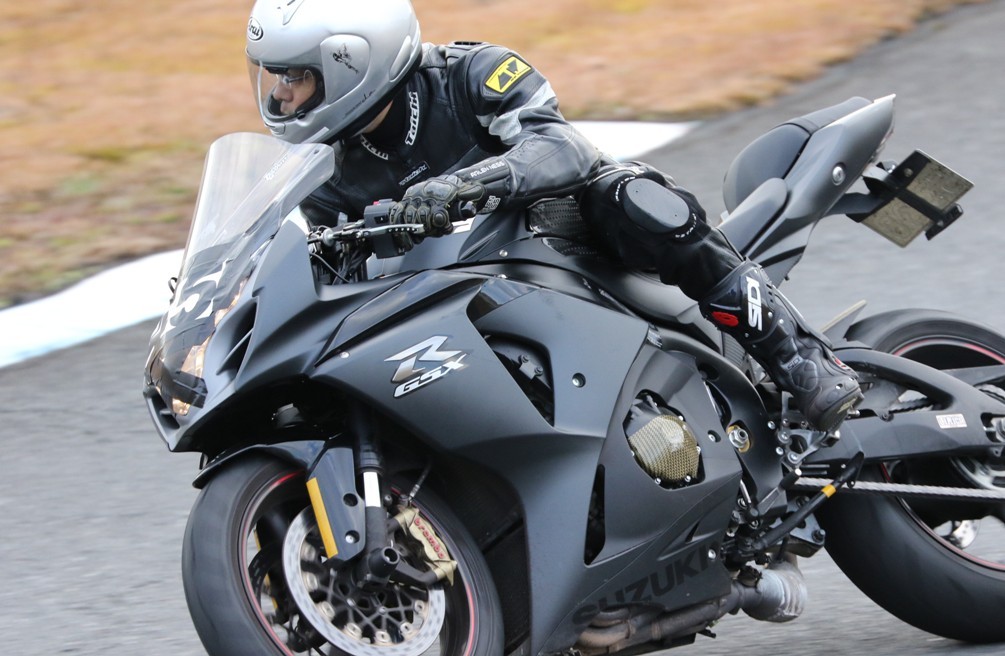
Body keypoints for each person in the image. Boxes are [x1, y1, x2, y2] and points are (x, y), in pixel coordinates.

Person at [245, 0, 862, 432]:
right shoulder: (327, 170)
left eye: (296, 77)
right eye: (273, 76)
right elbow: (320, 255)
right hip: (459, 297)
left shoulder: (470, 74)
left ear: (353, 65)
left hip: (567, 244)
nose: (279, 94)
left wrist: (464, 186)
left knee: (634, 201)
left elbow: (562, 146)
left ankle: (797, 357)